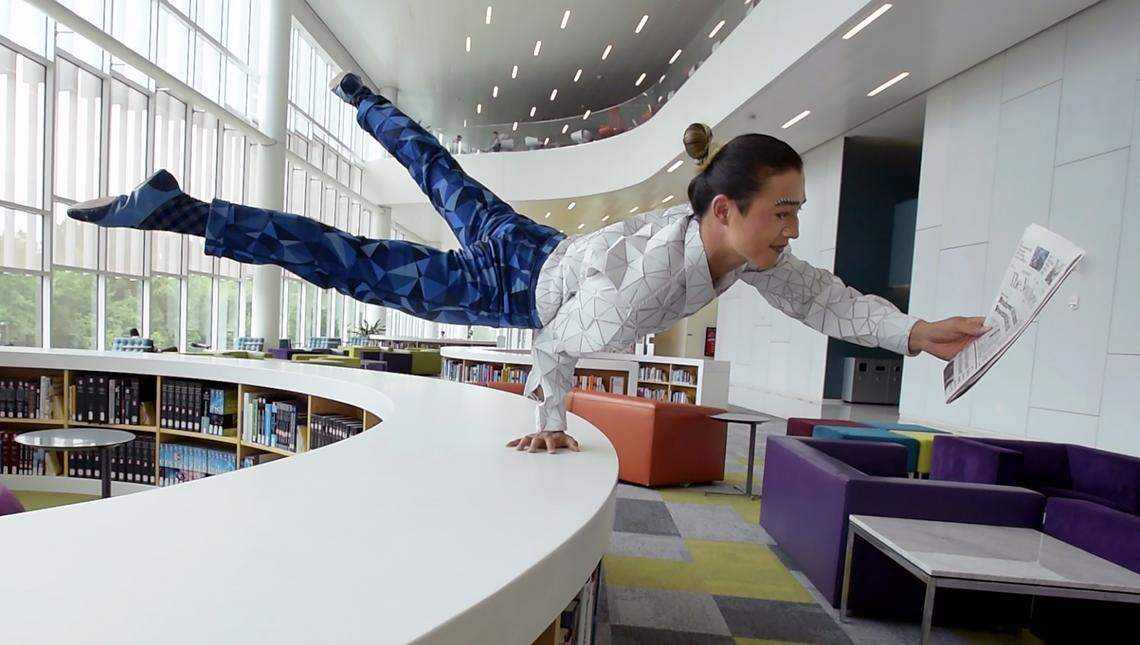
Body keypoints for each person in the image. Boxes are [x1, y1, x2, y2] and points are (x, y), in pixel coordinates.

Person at [66, 72, 986, 454]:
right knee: (355, 262)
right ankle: (189, 205)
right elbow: (555, 342)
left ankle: (352, 102)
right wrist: (549, 421)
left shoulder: (738, 256)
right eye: (782, 213)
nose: (790, 230)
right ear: (726, 209)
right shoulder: (659, 279)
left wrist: (913, 330)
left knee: (438, 176)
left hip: (538, 251)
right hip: (514, 279)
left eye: (793, 215)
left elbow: (824, 300)